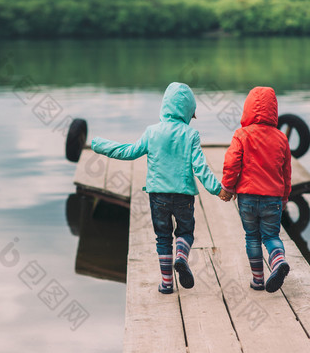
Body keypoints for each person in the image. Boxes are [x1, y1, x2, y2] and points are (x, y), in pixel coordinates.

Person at [91, 82, 231, 294]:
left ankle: (166, 283)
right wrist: (217, 189)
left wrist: (100, 144)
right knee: (185, 232)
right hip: (183, 196)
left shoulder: (152, 132)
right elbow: (200, 167)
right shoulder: (191, 135)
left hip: (158, 196)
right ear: (187, 112)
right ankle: (181, 257)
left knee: (163, 237)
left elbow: (128, 152)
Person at [222, 86, 292, 293]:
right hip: (273, 198)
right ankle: (278, 261)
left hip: (247, 197)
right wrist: (285, 197)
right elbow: (286, 171)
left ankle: (258, 279)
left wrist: (228, 186)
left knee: (252, 236)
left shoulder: (242, 135)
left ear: (248, 108)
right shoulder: (281, 138)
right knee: (271, 236)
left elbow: (232, 162)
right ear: (274, 110)